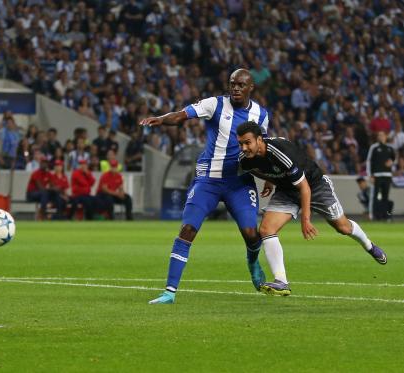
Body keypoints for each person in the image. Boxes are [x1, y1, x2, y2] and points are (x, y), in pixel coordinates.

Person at [140, 69, 269, 304]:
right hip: (208, 180)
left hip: (238, 182)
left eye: (241, 85)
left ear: (251, 88)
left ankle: (253, 263)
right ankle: (169, 291)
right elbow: (181, 115)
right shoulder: (214, 104)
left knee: (251, 234)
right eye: (232, 84)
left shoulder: (261, 114)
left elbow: (262, 150)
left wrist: (270, 176)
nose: (236, 88)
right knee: (188, 229)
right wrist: (161, 119)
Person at [236, 121, 387, 295]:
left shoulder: (280, 152)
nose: (244, 148)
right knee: (266, 229)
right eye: (241, 143)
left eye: (248, 142)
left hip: (314, 186)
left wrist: (305, 220)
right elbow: (262, 168)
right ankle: (281, 281)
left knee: (343, 227)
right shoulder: (245, 159)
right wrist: (270, 180)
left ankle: (368, 245)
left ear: (259, 140)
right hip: (287, 191)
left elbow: (305, 188)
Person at [366, 131, 396, 221]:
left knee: (385, 197)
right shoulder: (374, 147)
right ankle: (373, 215)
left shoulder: (390, 148)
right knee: (374, 196)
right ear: (377, 137)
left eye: (383, 135)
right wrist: (370, 175)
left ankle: (385, 216)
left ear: (386, 137)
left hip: (387, 175)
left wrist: (391, 162)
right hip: (377, 175)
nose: (381, 137)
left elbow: (394, 159)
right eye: (379, 135)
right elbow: (369, 161)